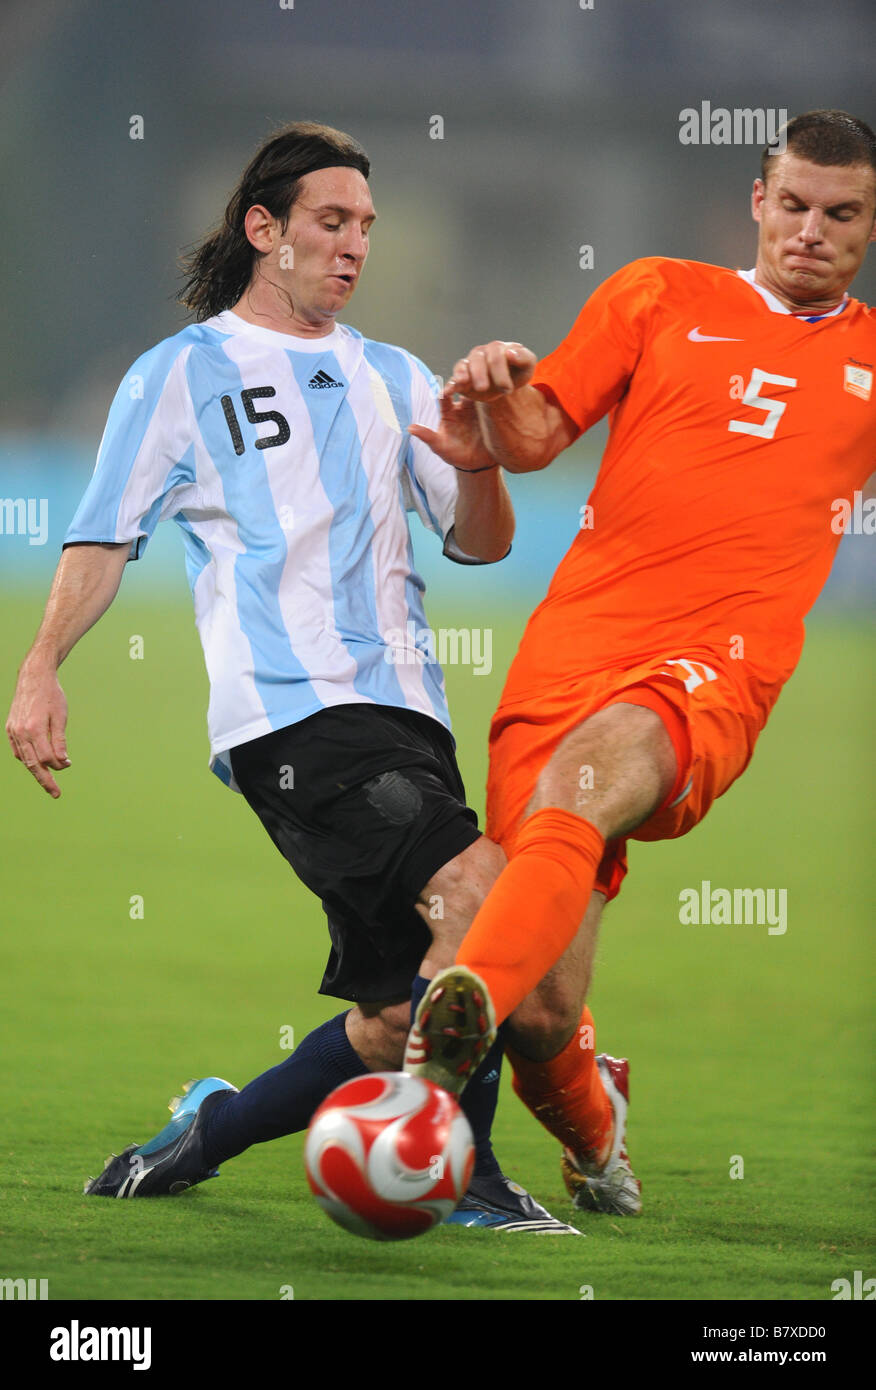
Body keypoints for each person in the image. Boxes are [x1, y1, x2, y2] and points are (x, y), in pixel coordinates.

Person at [5, 121, 579, 1233]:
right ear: (265, 231)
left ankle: (201, 1136)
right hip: (293, 715)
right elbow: (101, 537)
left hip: (410, 711)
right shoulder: (177, 375)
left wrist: (479, 459)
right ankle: (464, 1174)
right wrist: (40, 665)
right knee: (485, 897)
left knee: (393, 1012)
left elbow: (484, 542)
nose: (354, 244)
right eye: (330, 221)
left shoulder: (395, 375)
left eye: (366, 224)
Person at [404, 108, 876, 1218]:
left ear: (867, 228)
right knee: (540, 1016)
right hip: (570, 649)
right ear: (758, 202)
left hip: (717, 665)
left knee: (589, 779)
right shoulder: (657, 293)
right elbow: (533, 433)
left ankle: (431, 1067)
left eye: (841, 214)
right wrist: (489, 398)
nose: (811, 230)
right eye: (795, 205)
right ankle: (591, 1111)